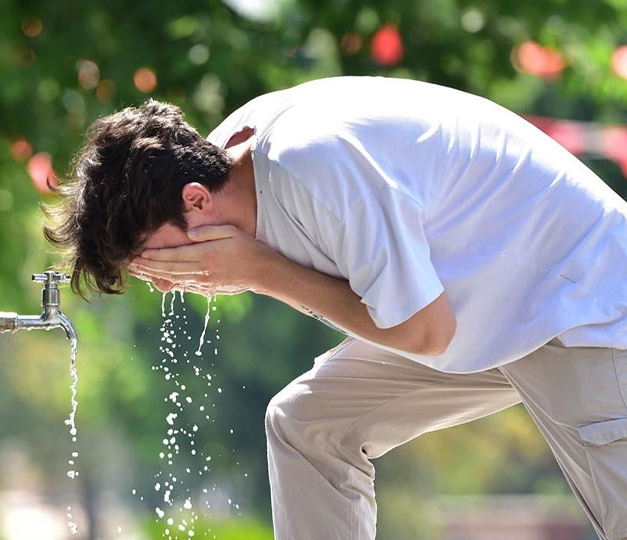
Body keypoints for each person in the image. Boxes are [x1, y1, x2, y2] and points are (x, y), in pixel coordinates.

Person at [43, 76, 627, 540]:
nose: (166, 285)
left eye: (154, 260)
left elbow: (426, 333)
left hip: (576, 300)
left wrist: (263, 272)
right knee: (307, 426)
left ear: (195, 201)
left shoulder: (313, 166)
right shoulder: (222, 170)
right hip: (471, 307)